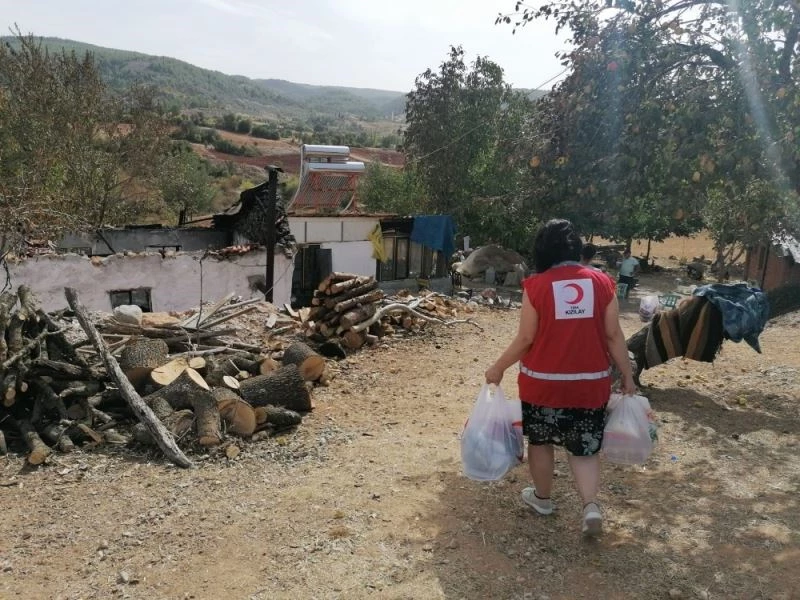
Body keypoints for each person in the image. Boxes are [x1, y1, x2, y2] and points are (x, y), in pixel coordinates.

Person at [485, 219, 636, 537]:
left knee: (541, 443)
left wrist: (498, 367)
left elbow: (526, 338)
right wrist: (627, 374)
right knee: (584, 449)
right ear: (576, 249)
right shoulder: (603, 283)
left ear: (543, 251)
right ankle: (590, 506)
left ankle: (542, 499)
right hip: (590, 385)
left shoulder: (536, 286)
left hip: (542, 385)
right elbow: (613, 334)